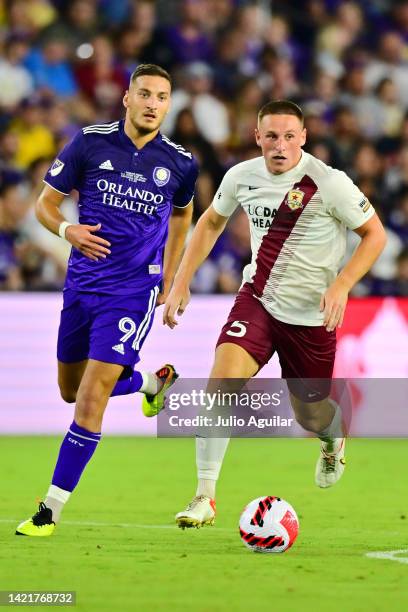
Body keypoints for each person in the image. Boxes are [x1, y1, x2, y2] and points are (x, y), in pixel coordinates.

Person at [163, 99, 386, 529]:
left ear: (303, 138)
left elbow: (374, 235)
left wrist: (342, 284)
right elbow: (210, 223)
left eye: (289, 136)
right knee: (221, 381)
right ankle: (204, 496)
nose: (279, 146)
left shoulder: (330, 183)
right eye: (271, 137)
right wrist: (182, 281)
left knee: (311, 414)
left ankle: (332, 439)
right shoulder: (241, 176)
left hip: (311, 316)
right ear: (257, 137)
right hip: (259, 299)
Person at [16, 64, 198, 537]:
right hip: (82, 286)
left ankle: (48, 511)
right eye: (145, 94)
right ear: (127, 98)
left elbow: (183, 216)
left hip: (132, 292)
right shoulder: (90, 142)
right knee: (70, 390)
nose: (153, 103)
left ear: (168, 103)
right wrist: (67, 230)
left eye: (162, 96)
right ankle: (147, 385)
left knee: (91, 399)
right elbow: (44, 204)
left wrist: (169, 273)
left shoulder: (179, 161)